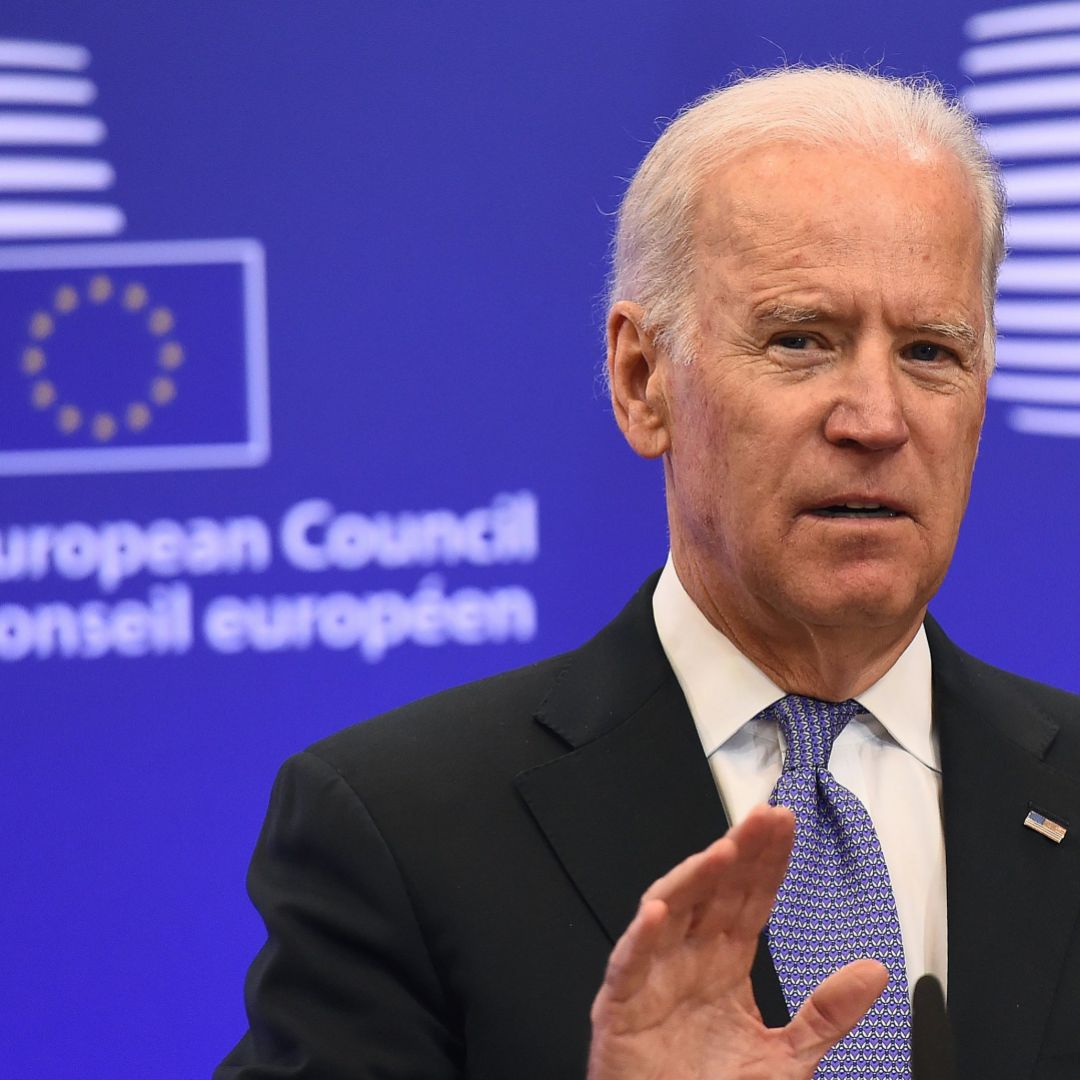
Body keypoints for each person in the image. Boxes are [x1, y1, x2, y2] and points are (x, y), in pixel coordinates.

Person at [216, 66, 1080, 1080]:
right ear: (642, 380)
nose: (877, 420)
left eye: (932, 351)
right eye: (802, 340)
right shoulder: (400, 832)